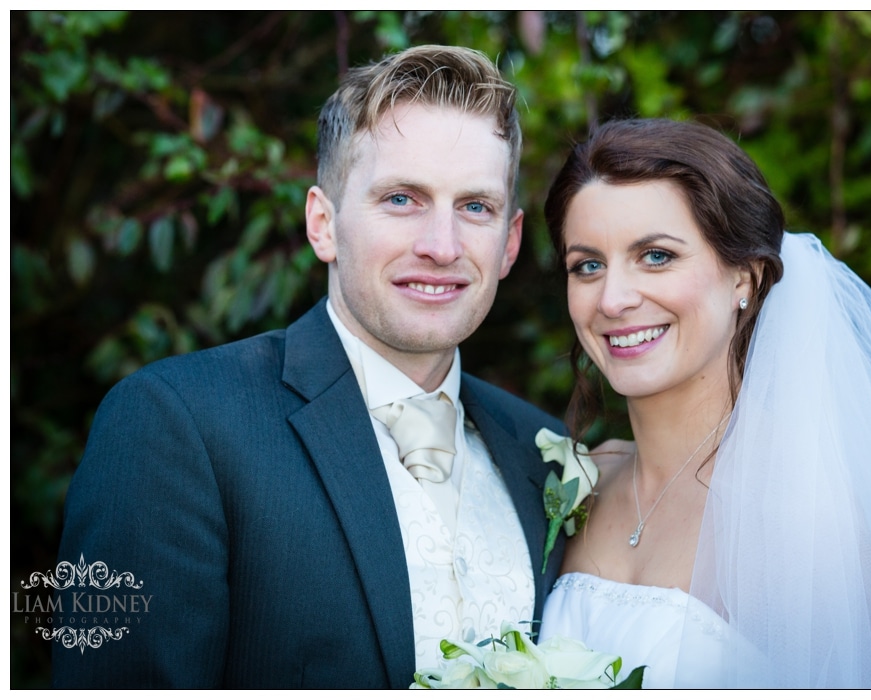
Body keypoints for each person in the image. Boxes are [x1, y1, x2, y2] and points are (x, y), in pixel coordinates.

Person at [51, 45, 566, 689]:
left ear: (509, 242)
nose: (442, 246)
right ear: (323, 224)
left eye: (475, 207)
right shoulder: (174, 425)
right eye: (403, 199)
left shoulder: (544, 454)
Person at [537, 118, 871, 688]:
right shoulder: (581, 487)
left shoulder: (817, 523)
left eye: (656, 256)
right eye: (587, 265)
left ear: (746, 277)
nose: (612, 299)